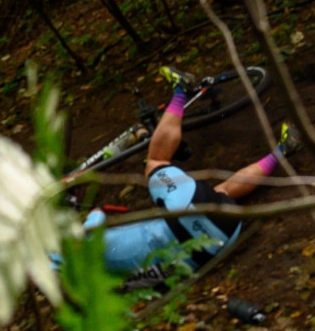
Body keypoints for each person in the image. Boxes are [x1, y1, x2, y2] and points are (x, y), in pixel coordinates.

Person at [82, 65, 301, 290]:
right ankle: (181, 90)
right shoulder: (84, 243)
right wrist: (94, 214)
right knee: (155, 163)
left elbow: (155, 283)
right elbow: (96, 219)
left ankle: (284, 150)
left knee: (221, 193)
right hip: (186, 212)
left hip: (214, 243)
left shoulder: (109, 283)